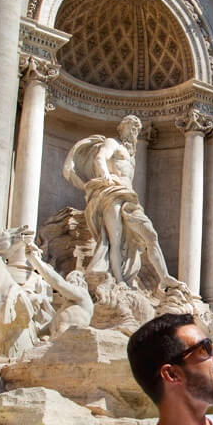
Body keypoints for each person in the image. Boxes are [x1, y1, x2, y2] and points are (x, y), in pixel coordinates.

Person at [62, 115, 178, 293]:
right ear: (121, 128)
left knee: (150, 234)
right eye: (130, 126)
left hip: (129, 198)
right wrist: (105, 174)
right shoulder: (112, 143)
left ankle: (165, 277)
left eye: (136, 128)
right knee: (114, 240)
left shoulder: (131, 154)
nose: (133, 130)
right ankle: (119, 280)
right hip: (112, 192)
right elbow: (100, 158)